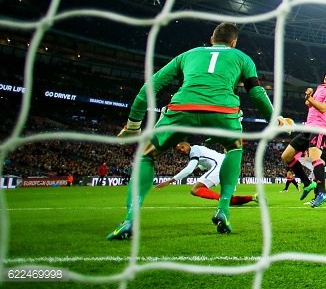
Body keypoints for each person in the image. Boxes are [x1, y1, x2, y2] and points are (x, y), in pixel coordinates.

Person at [107, 22, 285, 239]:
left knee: (147, 156)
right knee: (234, 149)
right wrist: (273, 120)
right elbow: (257, 94)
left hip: (182, 108)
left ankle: (129, 219)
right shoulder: (242, 57)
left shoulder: (187, 55)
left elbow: (149, 87)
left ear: (211, 39)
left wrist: (133, 125)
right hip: (223, 110)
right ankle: (223, 209)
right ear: (233, 42)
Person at [280, 63, 326, 202]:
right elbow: (309, 105)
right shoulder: (320, 87)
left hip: (320, 128)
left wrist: (310, 99)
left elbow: (323, 108)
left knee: (315, 158)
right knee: (286, 156)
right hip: (309, 127)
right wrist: (308, 97)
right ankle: (307, 183)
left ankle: (322, 192)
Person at [154, 142, 257, 206]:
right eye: (179, 151)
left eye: (182, 147)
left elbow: (189, 169)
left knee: (195, 189)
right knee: (229, 200)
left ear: (187, 144)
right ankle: (253, 197)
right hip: (229, 165)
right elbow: (204, 165)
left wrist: (169, 181)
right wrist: (195, 170)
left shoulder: (194, 150)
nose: (182, 150)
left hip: (220, 165)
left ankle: (220, 199)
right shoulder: (202, 151)